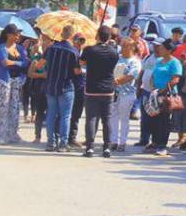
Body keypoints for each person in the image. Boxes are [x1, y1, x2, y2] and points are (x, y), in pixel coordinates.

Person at [80, 25, 119, 158]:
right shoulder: (114, 52)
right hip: (108, 89)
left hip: (92, 89)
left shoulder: (89, 50)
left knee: (91, 118)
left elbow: (81, 62)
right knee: (106, 119)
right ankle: (106, 148)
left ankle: (90, 148)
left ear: (97, 35)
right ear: (109, 37)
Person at [44, 25, 80, 152]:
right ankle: (63, 144)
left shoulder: (50, 49)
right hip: (66, 86)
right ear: (72, 35)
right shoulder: (73, 51)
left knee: (51, 115)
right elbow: (76, 72)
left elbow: (41, 64)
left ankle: (50, 143)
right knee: (65, 116)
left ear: (62, 33)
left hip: (50, 85)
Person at [147, 38, 184, 156]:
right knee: (154, 119)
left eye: (162, 47)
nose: (159, 49)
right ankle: (155, 142)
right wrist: (153, 88)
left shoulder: (175, 62)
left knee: (164, 120)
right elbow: (153, 75)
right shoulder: (158, 61)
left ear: (169, 50)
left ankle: (163, 145)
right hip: (155, 94)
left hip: (167, 95)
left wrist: (163, 91)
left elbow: (175, 79)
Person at [0, 24, 27, 146]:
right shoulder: (1, 47)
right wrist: (19, 63)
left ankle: (13, 133)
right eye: (16, 34)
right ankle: (0, 135)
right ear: (9, 35)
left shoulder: (20, 48)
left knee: (15, 108)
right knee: (3, 108)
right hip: (4, 81)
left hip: (17, 80)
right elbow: (5, 62)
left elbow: (26, 62)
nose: (18, 36)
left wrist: (16, 63)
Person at [109, 37, 141, 152]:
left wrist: (116, 81)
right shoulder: (118, 58)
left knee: (124, 118)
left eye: (124, 46)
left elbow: (131, 76)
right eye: (121, 45)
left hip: (127, 93)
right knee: (113, 116)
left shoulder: (135, 61)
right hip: (115, 92)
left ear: (131, 47)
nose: (121, 48)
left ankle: (122, 142)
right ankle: (113, 141)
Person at [28, 33, 51, 144]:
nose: (46, 44)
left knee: (52, 113)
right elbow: (30, 73)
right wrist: (42, 75)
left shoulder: (54, 59)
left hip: (51, 88)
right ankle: (37, 136)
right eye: (44, 41)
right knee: (40, 112)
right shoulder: (37, 59)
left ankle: (51, 137)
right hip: (40, 87)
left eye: (48, 41)